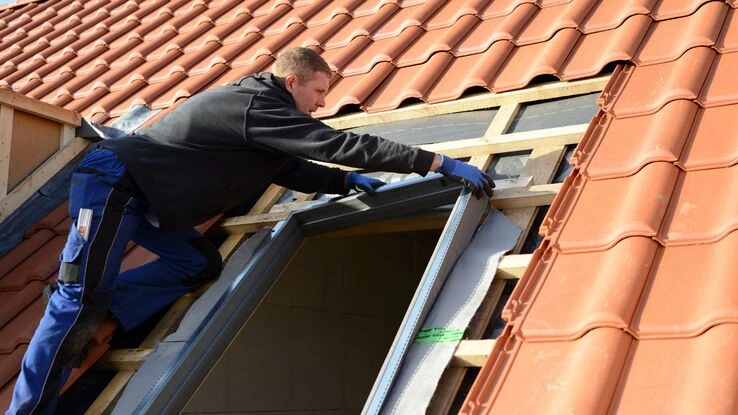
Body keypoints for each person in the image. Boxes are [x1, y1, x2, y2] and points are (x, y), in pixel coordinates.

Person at [7, 47, 493, 414]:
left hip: (152, 201)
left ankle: (105, 294)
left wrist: (343, 182)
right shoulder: (256, 104)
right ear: (293, 81)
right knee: (78, 300)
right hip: (114, 185)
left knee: (199, 262)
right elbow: (334, 143)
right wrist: (432, 161)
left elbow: (287, 168)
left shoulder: (263, 115)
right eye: (319, 91)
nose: (322, 103)